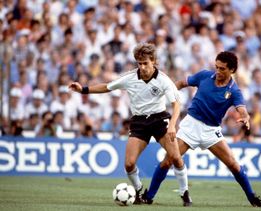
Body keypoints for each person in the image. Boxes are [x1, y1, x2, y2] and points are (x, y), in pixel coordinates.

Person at [68, 43, 189, 205]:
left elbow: (176, 105)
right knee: (129, 163)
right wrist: (83, 89)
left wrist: (172, 125)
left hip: (160, 120)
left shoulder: (163, 80)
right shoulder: (130, 78)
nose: (143, 67)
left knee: (175, 157)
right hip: (139, 122)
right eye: (140, 63)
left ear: (153, 61)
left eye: (145, 63)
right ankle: (138, 191)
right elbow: (107, 87)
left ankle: (184, 193)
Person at [141, 51, 261, 207]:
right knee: (168, 161)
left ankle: (252, 198)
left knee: (233, 164)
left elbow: (242, 110)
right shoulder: (205, 76)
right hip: (191, 125)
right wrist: (167, 92)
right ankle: (149, 196)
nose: (218, 72)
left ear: (232, 70)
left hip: (211, 131)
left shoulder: (234, 91)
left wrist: (246, 117)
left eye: (222, 69)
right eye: (217, 67)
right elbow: (181, 83)